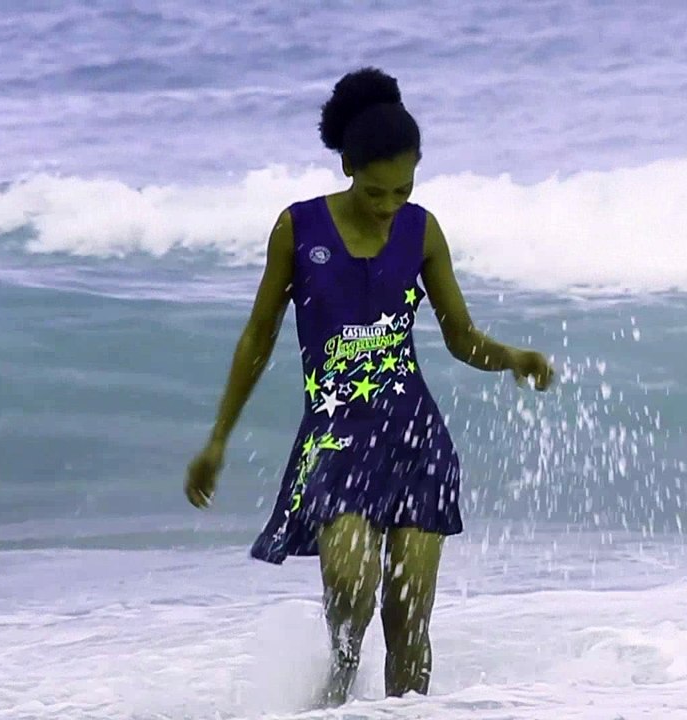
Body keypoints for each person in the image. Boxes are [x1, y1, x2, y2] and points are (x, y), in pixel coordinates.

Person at [183, 67, 555, 706]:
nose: (389, 207)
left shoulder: (422, 230)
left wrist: (512, 356)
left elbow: (461, 338)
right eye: (378, 192)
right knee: (352, 594)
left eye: (403, 190)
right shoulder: (298, 229)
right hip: (335, 438)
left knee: (409, 615)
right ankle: (339, 690)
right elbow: (258, 337)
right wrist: (218, 438)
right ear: (349, 167)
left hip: (416, 438)